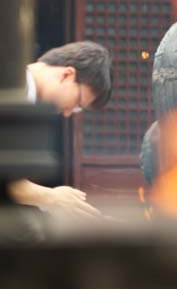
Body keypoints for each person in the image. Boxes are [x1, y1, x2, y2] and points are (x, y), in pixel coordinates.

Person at [9, 41, 112, 217]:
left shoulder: (22, 93)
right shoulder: (12, 87)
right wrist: (51, 197)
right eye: (77, 104)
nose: (68, 112)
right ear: (67, 75)